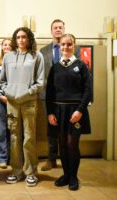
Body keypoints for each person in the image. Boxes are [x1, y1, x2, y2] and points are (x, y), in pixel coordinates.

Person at [46, 34, 92, 191]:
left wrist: (80, 110)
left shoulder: (81, 66)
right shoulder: (55, 67)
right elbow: (49, 93)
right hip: (59, 112)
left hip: (75, 111)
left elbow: (88, 90)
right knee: (62, 144)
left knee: (73, 144)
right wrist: (50, 113)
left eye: (69, 44)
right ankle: (65, 175)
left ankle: (73, 177)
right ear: (59, 47)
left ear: (74, 45)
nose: (65, 47)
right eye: (63, 45)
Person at [1, 27, 44, 187]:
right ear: (15, 39)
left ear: (29, 38)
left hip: (29, 103)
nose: (21, 40)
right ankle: (16, 171)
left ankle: (31, 172)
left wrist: (27, 92)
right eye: (18, 37)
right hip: (12, 103)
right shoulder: (8, 57)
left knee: (29, 138)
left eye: (24, 37)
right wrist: (10, 92)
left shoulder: (36, 56)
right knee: (14, 138)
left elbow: (40, 82)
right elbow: (2, 81)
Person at [40, 19, 80, 171]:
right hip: (49, 96)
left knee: (68, 130)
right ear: (51, 31)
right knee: (52, 127)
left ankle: (68, 159)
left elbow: (79, 74)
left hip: (69, 97)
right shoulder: (43, 51)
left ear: (64, 30)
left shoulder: (75, 50)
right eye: (55, 28)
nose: (58, 30)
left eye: (60, 27)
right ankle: (51, 159)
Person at [0, 38, 12, 169]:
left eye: (10, 45)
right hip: (1, 100)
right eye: (5, 45)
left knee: (14, 129)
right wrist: (1, 96)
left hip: (15, 100)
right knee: (1, 130)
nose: (7, 47)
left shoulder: (16, 61)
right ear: (1, 47)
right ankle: (2, 158)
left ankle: (14, 157)